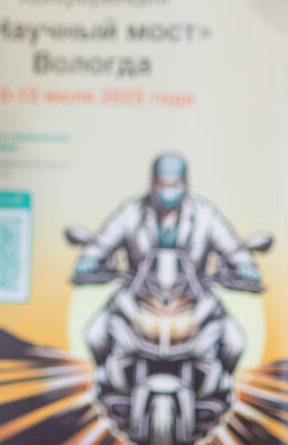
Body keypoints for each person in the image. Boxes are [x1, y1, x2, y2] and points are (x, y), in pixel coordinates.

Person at [73, 151, 260, 372]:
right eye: (162, 183)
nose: (168, 190)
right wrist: (90, 259)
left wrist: (245, 264)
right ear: (152, 184)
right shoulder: (130, 212)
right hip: (139, 300)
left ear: (186, 184)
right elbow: (103, 242)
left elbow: (232, 247)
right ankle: (105, 381)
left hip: (193, 301)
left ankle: (223, 384)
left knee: (235, 341)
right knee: (94, 334)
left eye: (175, 184)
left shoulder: (206, 215)